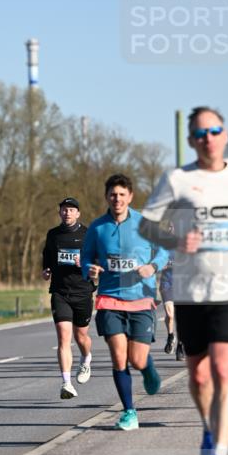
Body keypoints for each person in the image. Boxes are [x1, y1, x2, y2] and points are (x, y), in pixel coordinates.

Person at [139, 106, 228, 455]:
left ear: (224, 134)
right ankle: (208, 431)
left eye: (214, 130)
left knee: (225, 370)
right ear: (192, 140)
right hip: (191, 292)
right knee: (198, 373)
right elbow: (148, 224)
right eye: (200, 133)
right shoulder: (178, 180)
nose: (208, 138)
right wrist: (176, 240)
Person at [81, 174, 169, 430]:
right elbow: (86, 257)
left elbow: (165, 251)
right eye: (112, 194)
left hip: (141, 299)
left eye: (121, 194)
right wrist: (91, 269)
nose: (117, 199)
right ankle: (129, 411)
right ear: (106, 196)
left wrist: (153, 266)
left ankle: (148, 368)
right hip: (110, 300)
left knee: (137, 360)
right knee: (119, 359)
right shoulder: (97, 228)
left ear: (130, 197)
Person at [41, 196, 94, 399]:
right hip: (60, 292)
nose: (67, 213)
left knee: (81, 337)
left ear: (78, 213)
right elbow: (47, 257)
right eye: (64, 209)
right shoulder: (53, 235)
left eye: (71, 210)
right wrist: (45, 271)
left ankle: (86, 357)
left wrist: (85, 263)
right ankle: (66, 383)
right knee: (64, 337)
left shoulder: (88, 234)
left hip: (82, 291)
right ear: (59, 212)